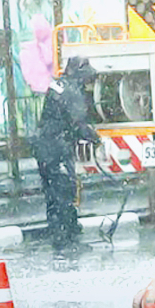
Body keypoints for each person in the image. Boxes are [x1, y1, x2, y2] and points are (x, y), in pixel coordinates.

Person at [32, 56, 100, 249]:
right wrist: (95, 138)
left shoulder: (59, 85)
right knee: (64, 191)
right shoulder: (71, 93)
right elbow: (78, 123)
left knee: (53, 192)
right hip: (57, 148)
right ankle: (66, 236)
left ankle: (61, 231)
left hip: (44, 147)